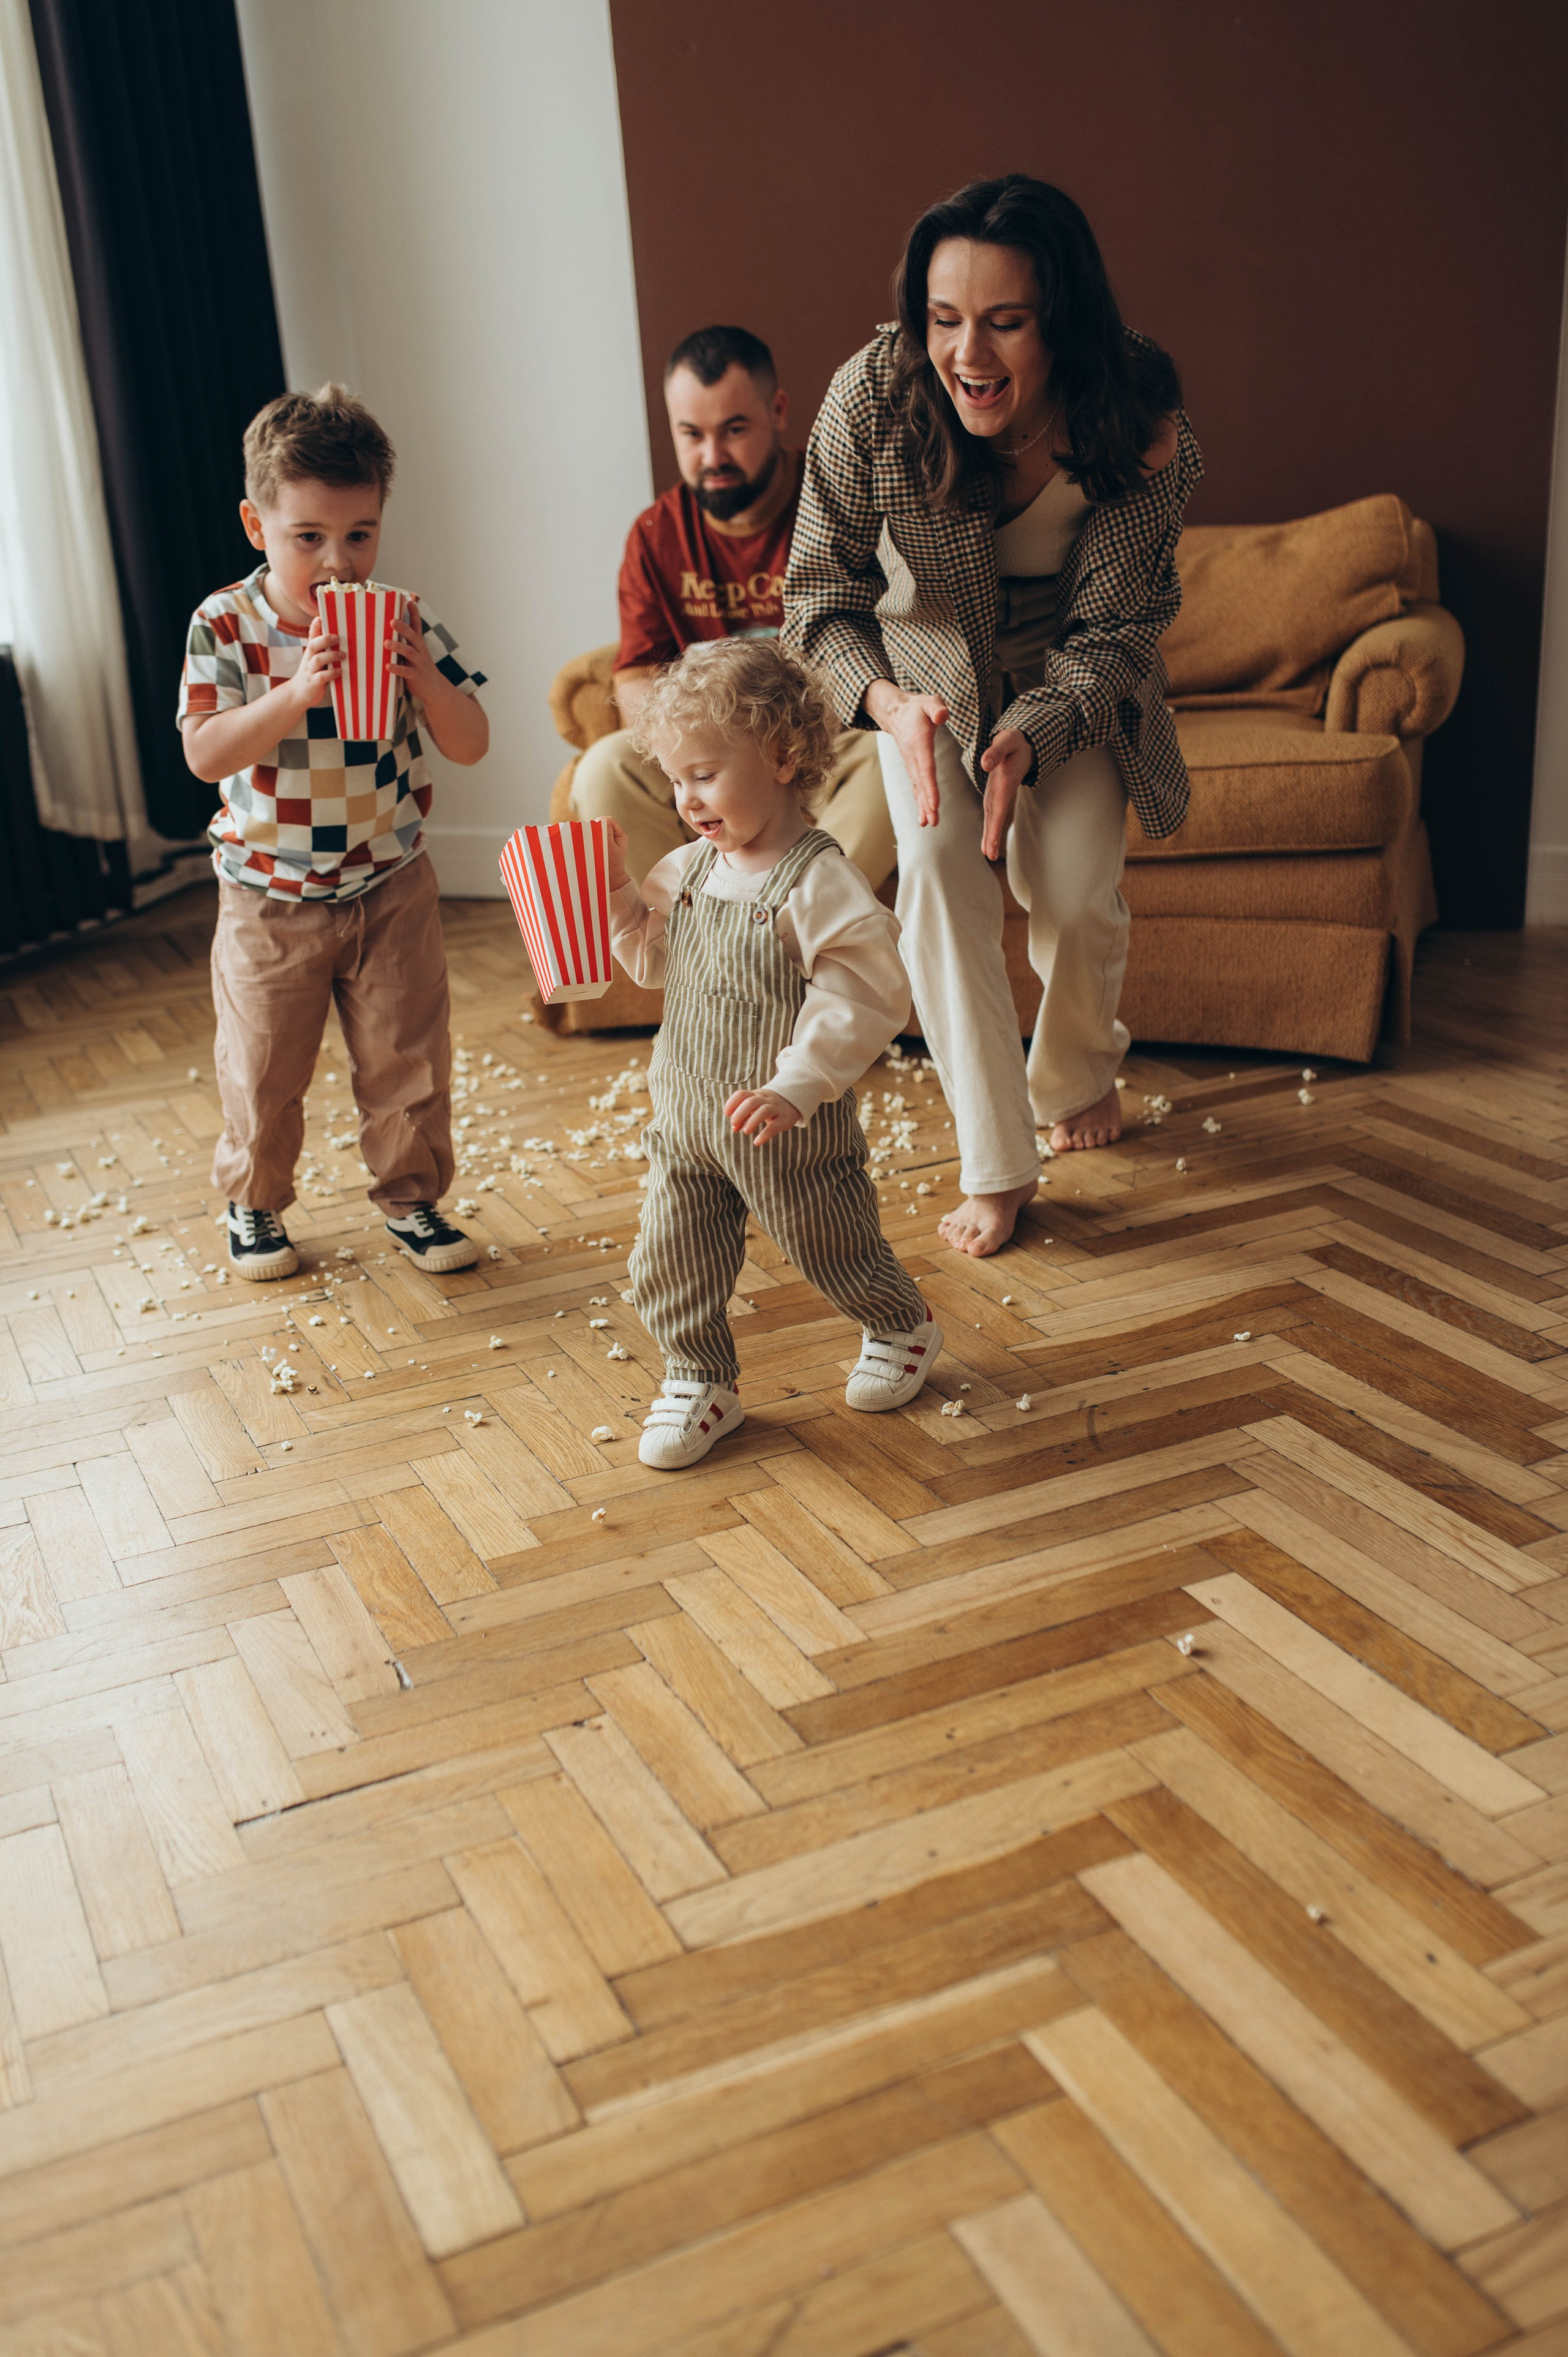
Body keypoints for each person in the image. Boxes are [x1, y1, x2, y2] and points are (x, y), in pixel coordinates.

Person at [783, 174, 1202, 1258]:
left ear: (1060, 320)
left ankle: (1073, 1076)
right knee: (933, 876)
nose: (969, 353)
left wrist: (1035, 731)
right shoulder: (871, 397)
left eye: (1006, 322)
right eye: (945, 319)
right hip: (926, 681)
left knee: (1074, 887)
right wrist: (885, 706)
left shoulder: (1140, 414)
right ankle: (997, 1163)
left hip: (1075, 678)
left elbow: (1117, 627)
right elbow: (816, 601)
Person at [606, 638, 941, 1470]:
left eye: (705, 775)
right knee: (669, 1255)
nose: (687, 800)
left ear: (783, 757)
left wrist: (800, 1084)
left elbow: (865, 995)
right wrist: (616, 903)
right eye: (677, 780)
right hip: (686, 1117)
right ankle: (698, 1376)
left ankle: (900, 1323)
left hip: (786, 1124)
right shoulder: (685, 871)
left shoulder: (817, 882)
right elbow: (653, 964)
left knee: (831, 1241)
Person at [179, 385, 489, 1281]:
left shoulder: (403, 616)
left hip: (389, 883)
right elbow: (203, 753)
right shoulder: (224, 624)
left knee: (408, 1059)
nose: (336, 561)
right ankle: (254, 1204)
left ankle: (412, 1198)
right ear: (256, 525)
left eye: (359, 534)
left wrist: (427, 682)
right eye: (307, 537)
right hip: (267, 897)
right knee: (263, 1069)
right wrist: (293, 696)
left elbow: (470, 743)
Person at [569, 325, 895, 893]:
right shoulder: (656, 535)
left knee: (891, 767)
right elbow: (636, 678)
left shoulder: (840, 500)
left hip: (823, 742)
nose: (712, 456)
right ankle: (692, 938)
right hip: (707, 749)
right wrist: (711, 754)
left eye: (734, 429)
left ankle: (791, 930)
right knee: (605, 767)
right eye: (691, 434)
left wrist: (774, 755)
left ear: (778, 410)